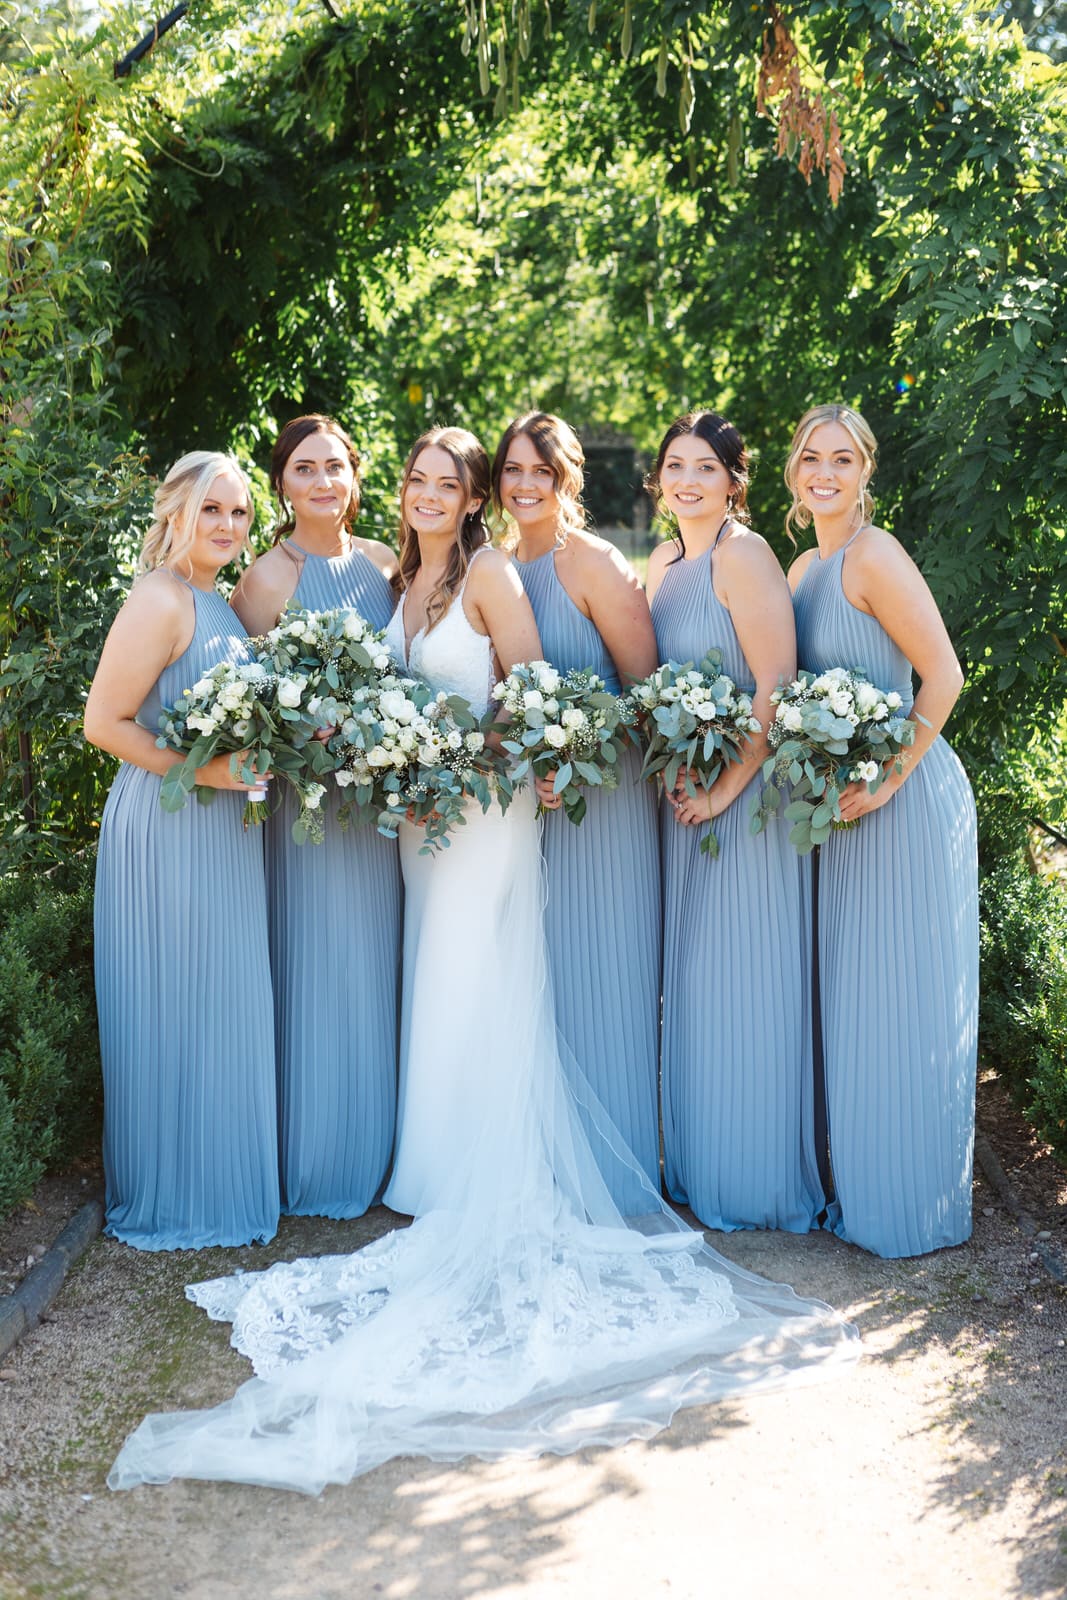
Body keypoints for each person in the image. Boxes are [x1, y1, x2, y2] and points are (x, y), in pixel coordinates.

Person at [108, 429, 858, 1498]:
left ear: (468, 503)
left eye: (445, 484)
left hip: (481, 807)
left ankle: (461, 1172)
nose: (426, 494)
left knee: (468, 973)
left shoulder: (491, 572)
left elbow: (533, 690)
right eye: (415, 478)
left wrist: (480, 759)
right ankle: (429, 1158)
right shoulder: (396, 581)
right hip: (417, 816)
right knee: (435, 979)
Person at [785, 403, 978, 1258]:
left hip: (903, 796)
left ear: (865, 472)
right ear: (793, 471)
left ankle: (909, 1209)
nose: (824, 472)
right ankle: (856, 1190)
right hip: (843, 806)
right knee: (855, 1002)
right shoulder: (800, 568)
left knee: (903, 1000)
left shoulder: (874, 554)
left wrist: (886, 778)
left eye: (842, 460)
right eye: (809, 458)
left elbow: (943, 675)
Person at [85, 451, 279, 1251]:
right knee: (175, 999)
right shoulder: (161, 599)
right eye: (212, 511)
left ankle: (219, 1179)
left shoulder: (219, 602)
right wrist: (207, 769)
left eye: (238, 513)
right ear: (175, 514)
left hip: (219, 824)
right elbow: (105, 724)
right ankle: (177, 1192)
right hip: (165, 823)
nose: (228, 526)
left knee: (220, 998)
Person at [646, 411, 824, 1234]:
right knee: (694, 986)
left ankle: (749, 1179)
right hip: (692, 799)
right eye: (675, 466)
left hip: (746, 805)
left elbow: (774, 684)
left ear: (733, 481)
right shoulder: (665, 562)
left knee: (742, 982)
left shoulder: (744, 554)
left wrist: (724, 790)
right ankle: (700, 1160)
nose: (687, 480)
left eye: (705, 468)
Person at [231, 416, 401, 1220]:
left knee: (376, 968)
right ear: (282, 485)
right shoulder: (268, 577)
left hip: (381, 808)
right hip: (307, 810)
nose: (323, 482)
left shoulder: (383, 564)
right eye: (305, 469)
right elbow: (244, 703)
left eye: (335, 466)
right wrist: (306, 732)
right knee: (318, 970)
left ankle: (380, 1151)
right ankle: (320, 1159)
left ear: (356, 475)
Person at [492, 413, 661, 1209]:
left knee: (605, 973)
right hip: (530, 811)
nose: (525, 485)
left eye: (541, 471)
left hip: (607, 804)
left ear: (567, 479)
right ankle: (551, 1158)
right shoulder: (494, 566)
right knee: (543, 975)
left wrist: (577, 753)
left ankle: (616, 1168)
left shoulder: (590, 564)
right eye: (512, 471)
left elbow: (646, 694)